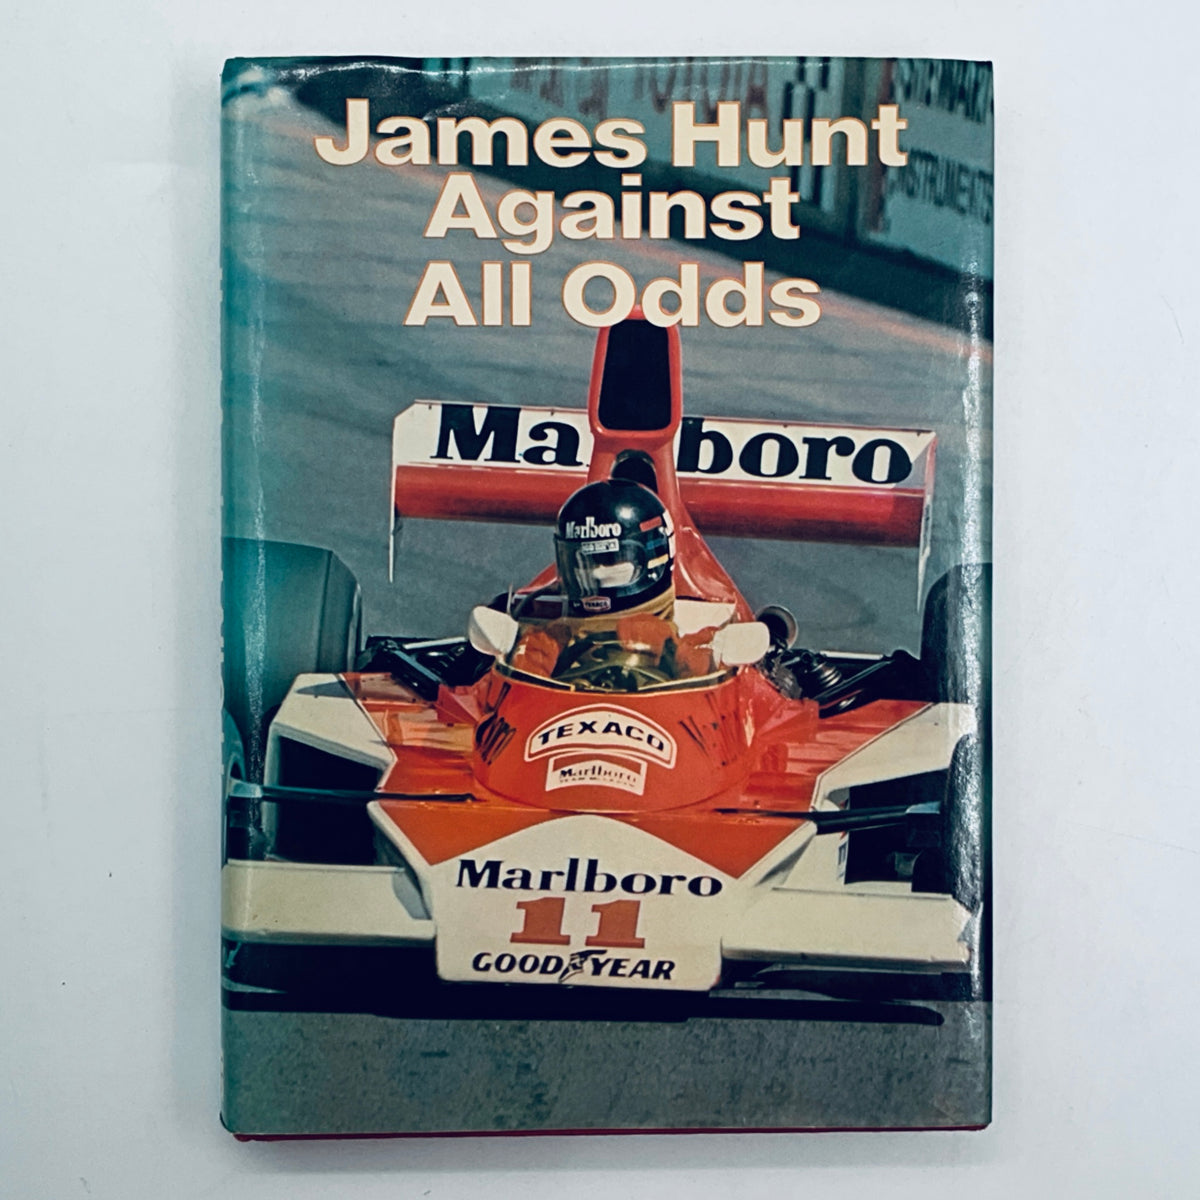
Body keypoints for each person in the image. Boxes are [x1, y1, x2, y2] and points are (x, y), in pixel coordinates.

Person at [508, 479, 716, 687]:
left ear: (654, 559)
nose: (597, 573)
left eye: (610, 559)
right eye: (584, 561)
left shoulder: (699, 648)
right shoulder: (544, 641)